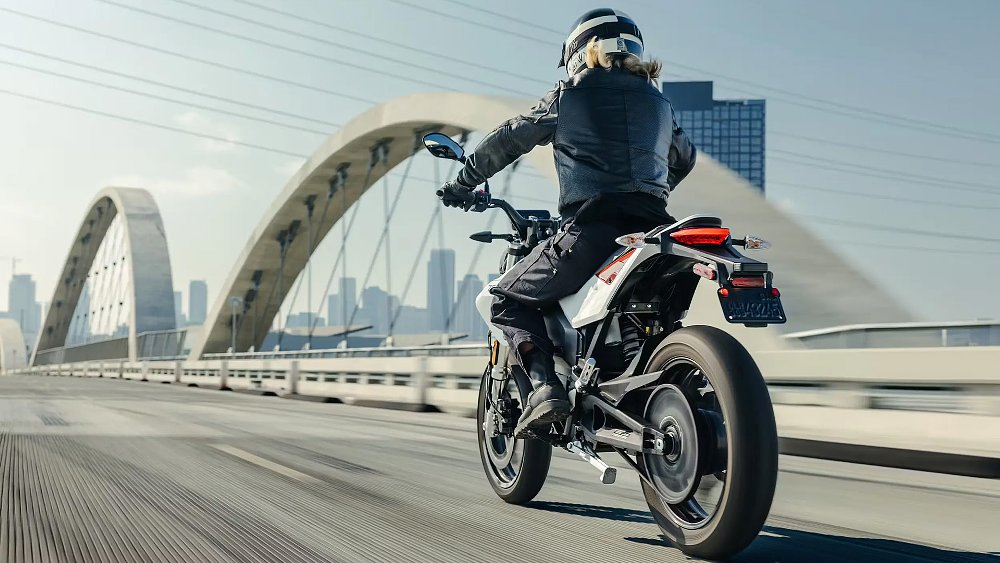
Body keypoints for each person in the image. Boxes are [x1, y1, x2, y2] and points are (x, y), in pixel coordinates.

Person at [439, 8, 697, 437]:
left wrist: (464, 181)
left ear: (579, 51)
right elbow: (683, 160)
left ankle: (544, 389)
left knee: (506, 299)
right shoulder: (661, 105)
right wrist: (654, 190)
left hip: (594, 228)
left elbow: (509, 137)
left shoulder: (569, 96)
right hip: (655, 230)